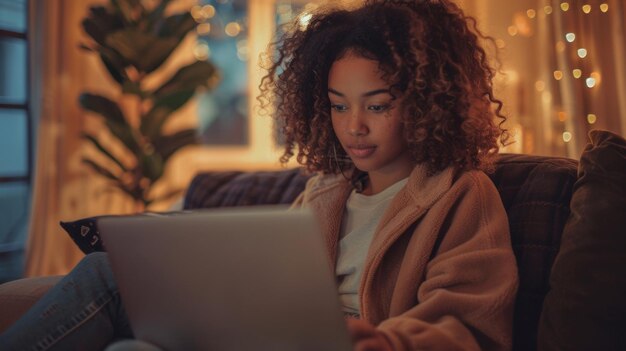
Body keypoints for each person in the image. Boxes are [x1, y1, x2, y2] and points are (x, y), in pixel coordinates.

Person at [0, 0, 518, 350]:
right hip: (266, 337)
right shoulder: (324, 191)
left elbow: (469, 322)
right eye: (338, 107)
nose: (353, 127)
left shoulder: (460, 194)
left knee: (104, 281)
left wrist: (384, 341)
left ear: (429, 103)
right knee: (123, 324)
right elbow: (266, 282)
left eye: (377, 106)